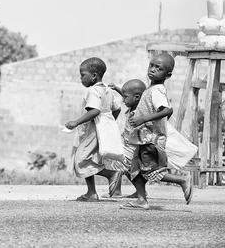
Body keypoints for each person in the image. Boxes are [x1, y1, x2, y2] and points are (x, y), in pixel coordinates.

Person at [120, 53, 193, 210]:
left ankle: (182, 180)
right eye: (151, 65)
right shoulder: (151, 89)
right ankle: (141, 200)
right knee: (134, 169)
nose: (153, 69)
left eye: (158, 68)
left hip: (150, 140)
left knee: (150, 170)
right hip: (144, 139)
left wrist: (143, 119)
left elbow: (167, 111)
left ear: (168, 74)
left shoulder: (157, 91)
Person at [65, 57, 123, 202]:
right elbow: (116, 109)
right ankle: (91, 193)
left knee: (81, 160)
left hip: (92, 130)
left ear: (94, 76)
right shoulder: (109, 91)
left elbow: (94, 111)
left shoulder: (93, 90)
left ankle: (111, 174)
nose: (81, 78)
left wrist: (76, 122)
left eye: (83, 75)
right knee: (87, 159)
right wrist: (107, 123)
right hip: (101, 130)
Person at [108, 79, 147, 199]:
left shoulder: (139, 112)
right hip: (128, 143)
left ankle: (117, 191)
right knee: (127, 169)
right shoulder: (133, 104)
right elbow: (128, 96)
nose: (123, 100)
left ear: (136, 97)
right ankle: (140, 191)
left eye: (125, 98)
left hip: (133, 146)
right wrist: (116, 88)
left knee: (119, 162)